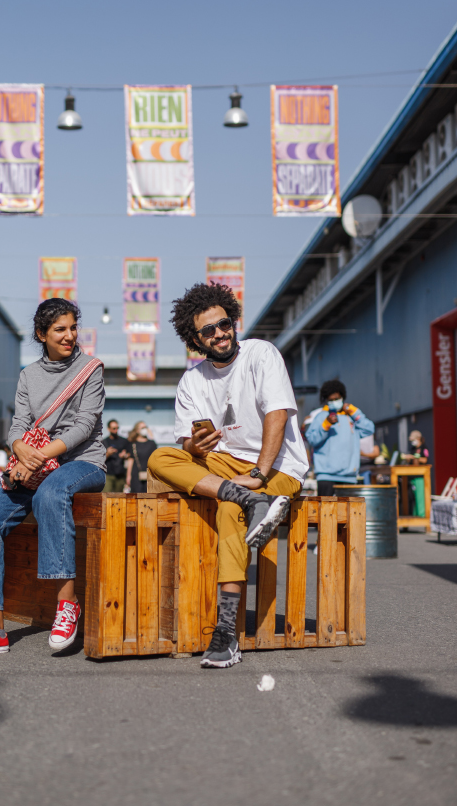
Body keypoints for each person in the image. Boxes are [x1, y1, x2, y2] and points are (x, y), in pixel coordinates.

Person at [148, 283, 308, 669]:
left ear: (234, 321)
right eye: (208, 330)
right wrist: (195, 448)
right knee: (160, 457)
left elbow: (277, 414)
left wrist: (259, 473)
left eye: (225, 324)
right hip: (223, 465)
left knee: (226, 510)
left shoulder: (260, 353)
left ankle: (225, 631)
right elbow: (186, 441)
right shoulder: (192, 381)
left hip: (278, 467)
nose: (220, 333)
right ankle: (246, 499)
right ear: (194, 339)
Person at [0, 298, 106, 657]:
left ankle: (67, 605)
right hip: (34, 468)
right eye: (60, 330)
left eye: (73, 328)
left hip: (82, 463)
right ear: (41, 334)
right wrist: (19, 447)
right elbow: (18, 425)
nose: (69, 336)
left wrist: (35, 458)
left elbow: (85, 426)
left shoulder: (91, 368)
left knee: (50, 495)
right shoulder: (28, 375)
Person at [305, 380, 375, 496]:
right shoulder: (321, 417)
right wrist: (326, 424)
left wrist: (354, 411)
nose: (334, 402)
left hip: (349, 477)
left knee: (348, 513)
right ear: (326, 400)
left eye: (336, 399)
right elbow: (312, 439)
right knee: (326, 513)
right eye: (331, 400)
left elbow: (369, 429)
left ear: (342, 397)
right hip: (326, 476)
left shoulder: (351, 417)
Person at [125, 421, 157, 493]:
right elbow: (130, 460)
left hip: (150, 475)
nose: (145, 429)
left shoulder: (152, 443)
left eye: (146, 427)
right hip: (136, 475)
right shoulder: (133, 444)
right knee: (136, 497)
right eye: (142, 428)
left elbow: (155, 459)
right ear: (137, 430)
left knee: (149, 497)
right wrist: (128, 476)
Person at [102, 419, 130, 492]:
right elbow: (99, 459)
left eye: (117, 428)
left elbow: (130, 455)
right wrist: (108, 454)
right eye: (114, 428)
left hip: (120, 474)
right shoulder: (104, 442)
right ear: (108, 429)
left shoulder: (124, 441)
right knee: (106, 496)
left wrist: (124, 456)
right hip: (108, 474)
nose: (116, 430)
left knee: (119, 497)